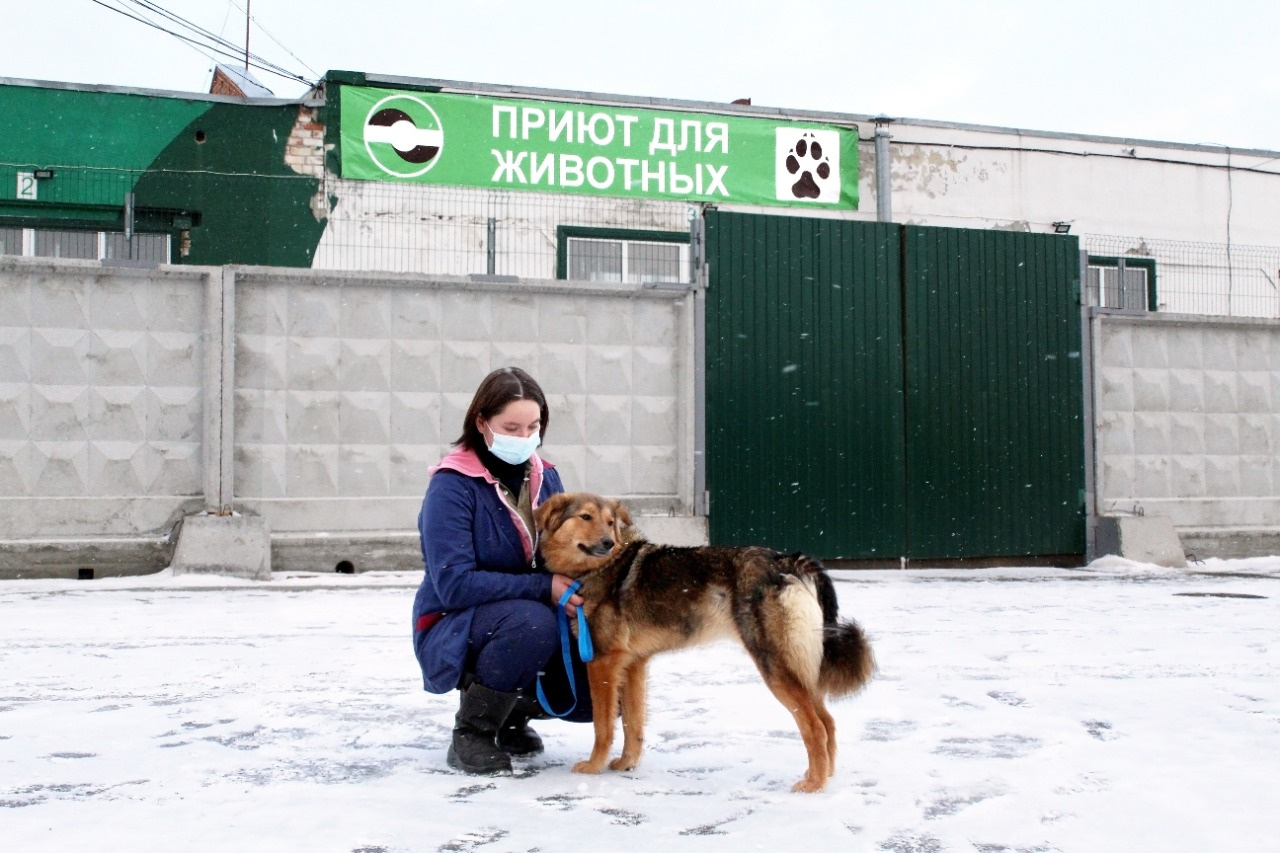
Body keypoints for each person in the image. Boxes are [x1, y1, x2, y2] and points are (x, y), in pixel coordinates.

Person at [412, 366, 592, 775]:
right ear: (482, 422)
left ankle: (511, 717)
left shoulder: (547, 477)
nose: (523, 436)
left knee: (604, 676)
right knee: (530, 624)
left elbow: (562, 552)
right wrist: (542, 588)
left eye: (533, 425)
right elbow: (454, 584)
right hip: (454, 620)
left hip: (530, 611)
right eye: (510, 426)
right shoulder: (452, 486)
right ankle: (472, 732)